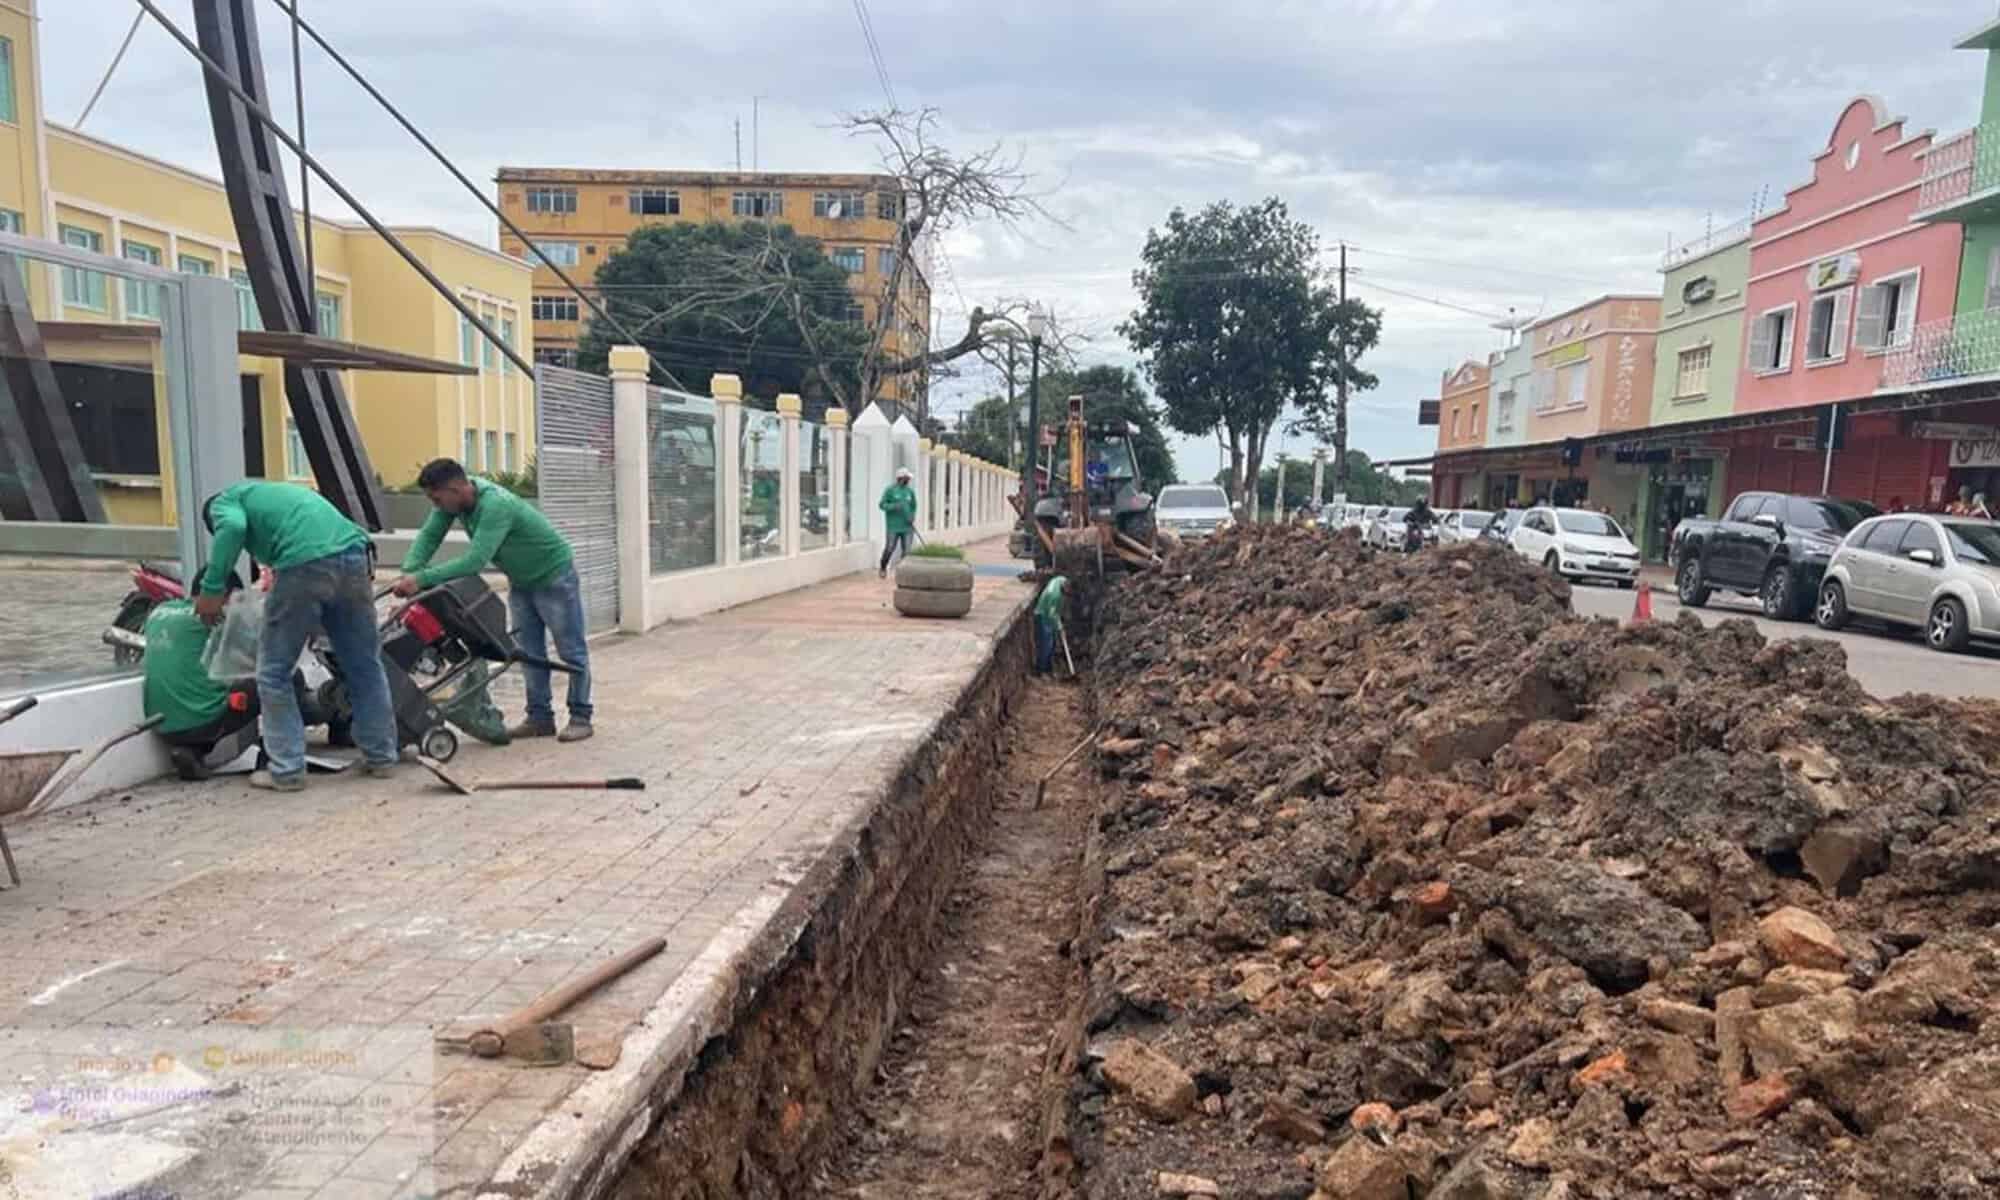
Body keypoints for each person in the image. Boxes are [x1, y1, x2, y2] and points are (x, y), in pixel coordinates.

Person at [195, 482, 398, 791]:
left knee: (274, 673)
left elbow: (233, 528)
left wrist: (211, 590)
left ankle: (287, 770)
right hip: (355, 556)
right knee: (363, 665)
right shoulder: (271, 494)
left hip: (304, 563)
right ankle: (381, 757)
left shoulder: (224, 502)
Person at [394, 458, 593, 743]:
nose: (436, 506)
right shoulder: (455, 502)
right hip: (522, 582)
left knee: (571, 651)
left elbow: (474, 561)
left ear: (455, 489)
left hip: (554, 578)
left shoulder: (495, 505)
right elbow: (429, 536)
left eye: (437, 499)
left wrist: (421, 580)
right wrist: (409, 572)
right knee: (528, 652)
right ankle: (540, 718)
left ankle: (581, 716)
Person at [878, 467, 918, 577]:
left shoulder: (910, 491)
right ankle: (882, 567)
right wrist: (894, 506)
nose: (909, 480)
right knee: (890, 548)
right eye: (907, 478)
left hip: (907, 526)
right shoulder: (890, 490)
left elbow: (914, 506)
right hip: (893, 526)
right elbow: (882, 505)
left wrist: (912, 516)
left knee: (907, 551)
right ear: (901, 478)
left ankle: (902, 572)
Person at [1034, 574, 1068, 676]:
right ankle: (1041, 671)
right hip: (1042, 616)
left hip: (1048, 613)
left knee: (1052, 644)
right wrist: (1059, 627)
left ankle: (1048, 668)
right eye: (1066, 593)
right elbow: (1052, 615)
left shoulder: (1061, 579)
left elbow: (1054, 613)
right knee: (1046, 645)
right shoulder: (1055, 596)